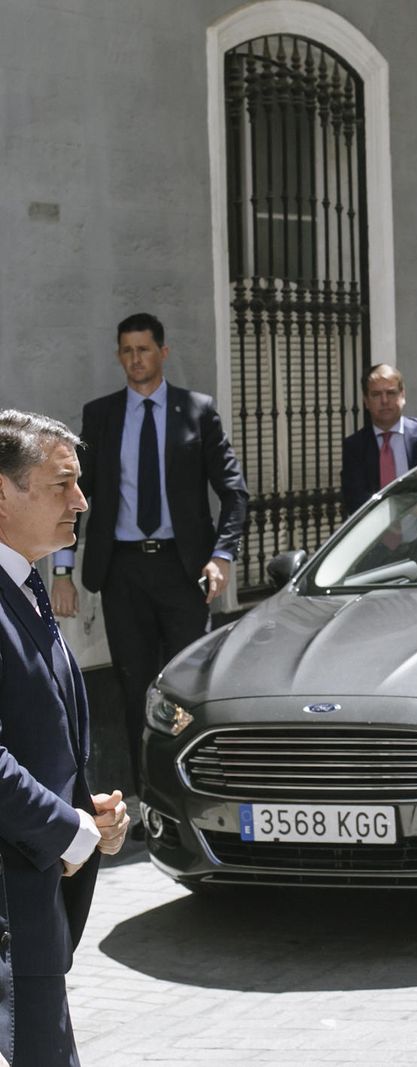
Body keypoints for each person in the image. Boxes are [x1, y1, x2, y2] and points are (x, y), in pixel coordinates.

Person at [51, 313, 248, 806]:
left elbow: (234, 492)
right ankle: (148, 802)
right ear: (119, 356)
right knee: (134, 686)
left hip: (184, 573)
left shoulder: (196, 412)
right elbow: (73, 496)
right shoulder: (101, 415)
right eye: (126, 350)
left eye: (144, 349)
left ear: (163, 351)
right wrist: (62, 571)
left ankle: (196, 795)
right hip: (122, 572)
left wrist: (223, 555)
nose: (135, 359)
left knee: (188, 685)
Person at [0, 410, 131, 1066]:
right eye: (62, 484)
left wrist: (92, 816)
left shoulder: (25, 582)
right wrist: (71, 830)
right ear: (3, 491)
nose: (81, 501)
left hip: (35, 908)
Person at [340, 363, 417, 517]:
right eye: (376, 394)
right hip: (378, 535)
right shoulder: (355, 447)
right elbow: (354, 500)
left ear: (403, 395)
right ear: (366, 401)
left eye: (391, 393)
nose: (384, 400)